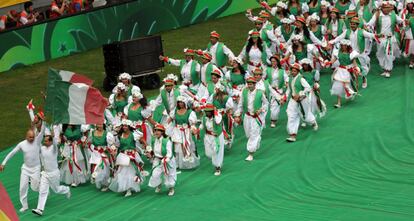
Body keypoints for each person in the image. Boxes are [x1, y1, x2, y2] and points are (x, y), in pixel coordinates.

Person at [0, 127, 45, 212]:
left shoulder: (37, 141)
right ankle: (24, 206)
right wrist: (3, 163)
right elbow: (12, 153)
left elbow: (42, 131)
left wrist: (43, 122)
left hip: (35, 168)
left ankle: (43, 189)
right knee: (22, 187)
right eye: (30, 137)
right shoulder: (22, 144)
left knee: (34, 187)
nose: (32, 139)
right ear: (26, 137)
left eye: (33, 137)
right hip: (25, 169)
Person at [329, 16, 379, 88]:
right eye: (351, 24)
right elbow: (340, 37)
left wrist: (377, 36)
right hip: (350, 54)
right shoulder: (347, 31)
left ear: (357, 25)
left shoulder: (361, 32)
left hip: (359, 54)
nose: (352, 25)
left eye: (354, 24)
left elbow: (370, 35)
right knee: (352, 68)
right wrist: (333, 41)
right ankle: (352, 83)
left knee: (362, 68)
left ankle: (364, 79)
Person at [32, 130, 71, 216]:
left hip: (54, 174)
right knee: (43, 191)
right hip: (45, 174)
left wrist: (53, 136)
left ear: (50, 142)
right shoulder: (42, 148)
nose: (44, 142)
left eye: (46, 141)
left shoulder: (54, 149)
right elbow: (37, 142)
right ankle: (40, 209)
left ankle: (66, 189)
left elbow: (55, 144)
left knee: (56, 190)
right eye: (44, 140)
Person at [234, 77, 269, 161]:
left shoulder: (260, 93)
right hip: (247, 116)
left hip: (256, 117)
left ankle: (250, 153)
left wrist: (261, 110)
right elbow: (240, 104)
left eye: (251, 84)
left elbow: (266, 104)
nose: (249, 85)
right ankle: (256, 141)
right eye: (248, 84)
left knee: (254, 134)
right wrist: (238, 115)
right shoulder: (244, 91)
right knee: (248, 134)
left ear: (254, 84)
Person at [367, 1, 404, 77]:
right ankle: (385, 68)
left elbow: (401, 21)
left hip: (390, 39)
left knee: (388, 55)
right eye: (385, 8)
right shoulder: (377, 15)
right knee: (380, 54)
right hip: (380, 39)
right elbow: (371, 23)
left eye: (388, 8)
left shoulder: (393, 14)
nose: (387, 9)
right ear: (382, 8)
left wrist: (404, 22)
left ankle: (388, 70)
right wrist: (366, 26)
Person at [109, 120, 145, 197]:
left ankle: (129, 188)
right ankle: (124, 187)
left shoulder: (134, 134)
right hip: (123, 155)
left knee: (130, 172)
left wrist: (146, 146)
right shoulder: (120, 135)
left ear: (129, 126)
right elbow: (118, 145)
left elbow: (142, 140)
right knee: (122, 172)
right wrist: (113, 149)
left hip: (132, 155)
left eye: (126, 126)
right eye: (123, 126)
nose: (124, 127)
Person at [284, 63, 318, 142]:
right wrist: (285, 97)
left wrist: (299, 94)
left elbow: (308, 88)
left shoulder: (301, 79)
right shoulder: (290, 79)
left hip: (302, 100)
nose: (293, 72)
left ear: (298, 71)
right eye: (292, 71)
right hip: (293, 100)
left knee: (305, 116)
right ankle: (293, 135)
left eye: (295, 71)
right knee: (291, 115)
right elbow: (289, 89)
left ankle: (313, 122)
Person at [326, 39, 360, 108]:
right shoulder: (338, 53)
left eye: (345, 45)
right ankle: (339, 103)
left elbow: (354, 63)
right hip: (340, 71)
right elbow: (332, 61)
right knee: (338, 86)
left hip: (348, 72)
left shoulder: (351, 54)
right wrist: (328, 63)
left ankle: (350, 93)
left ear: (347, 46)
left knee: (348, 85)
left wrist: (356, 69)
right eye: (342, 45)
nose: (343, 47)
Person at [167, 96, 200, 169]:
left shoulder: (190, 112)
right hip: (177, 131)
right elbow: (169, 120)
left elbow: (192, 123)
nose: (180, 104)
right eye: (179, 102)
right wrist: (166, 128)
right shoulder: (175, 111)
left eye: (182, 102)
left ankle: (188, 163)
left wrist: (194, 130)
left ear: (185, 103)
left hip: (187, 131)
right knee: (178, 147)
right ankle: (179, 164)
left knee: (187, 145)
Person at [146, 124, 176, 196]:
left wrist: (165, 160)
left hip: (167, 160)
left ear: (162, 132)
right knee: (155, 174)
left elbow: (169, 153)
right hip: (157, 160)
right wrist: (150, 154)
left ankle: (171, 188)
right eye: (155, 130)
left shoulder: (167, 141)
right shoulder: (153, 140)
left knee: (168, 175)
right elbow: (153, 151)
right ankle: (159, 184)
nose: (156, 132)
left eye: (158, 130)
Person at [88, 124, 117, 191]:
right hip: (95, 154)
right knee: (96, 168)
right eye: (98, 124)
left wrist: (109, 149)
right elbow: (89, 142)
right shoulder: (92, 133)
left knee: (104, 168)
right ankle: (99, 181)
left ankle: (105, 184)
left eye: (101, 124)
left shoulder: (107, 134)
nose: (100, 126)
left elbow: (111, 144)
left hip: (104, 153)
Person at [198, 104, 225, 175]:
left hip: (217, 137)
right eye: (206, 111)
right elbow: (202, 125)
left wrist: (215, 113)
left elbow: (218, 121)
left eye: (209, 111)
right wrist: (198, 130)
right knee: (208, 153)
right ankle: (215, 162)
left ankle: (217, 167)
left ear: (212, 111)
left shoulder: (217, 116)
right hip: (207, 136)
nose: (207, 113)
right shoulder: (204, 117)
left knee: (217, 151)